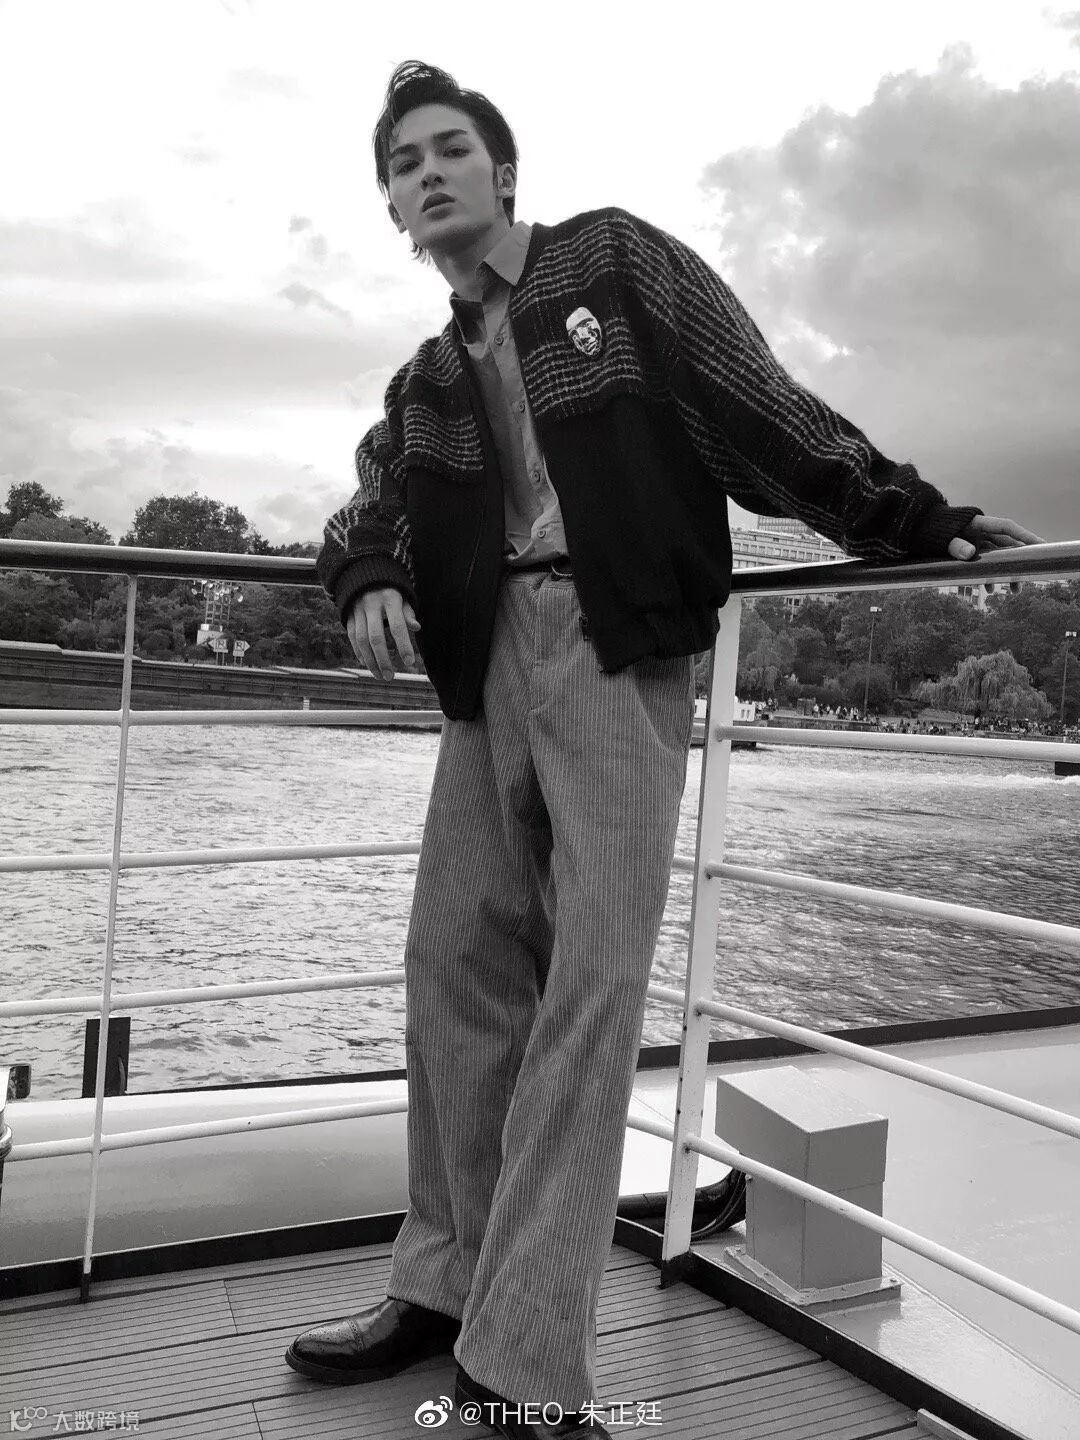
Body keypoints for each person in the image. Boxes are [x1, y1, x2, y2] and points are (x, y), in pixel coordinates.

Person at [285, 59, 1043, 1440]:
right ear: (392, 210)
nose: (428, 173)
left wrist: (915, 517)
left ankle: (521, 1360)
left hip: (615, 642)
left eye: (449, 148)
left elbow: (761, 408)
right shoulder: (426, 378)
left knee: (589, 990)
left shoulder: (614, 267)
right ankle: (444, 1281)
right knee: (451, 965)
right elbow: (366, 506)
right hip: (482, 671)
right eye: (403, 164)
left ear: (503, 170)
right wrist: (367, 577)